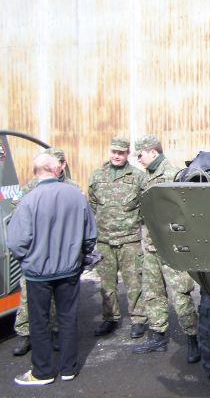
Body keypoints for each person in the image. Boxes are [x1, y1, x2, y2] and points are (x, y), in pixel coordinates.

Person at [8, 153, 96, 385]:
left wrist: (27, 260)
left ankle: (43, 372)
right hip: (69, 270)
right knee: (67, 318)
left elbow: (16, 242)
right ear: (54, 170)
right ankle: (69, 368)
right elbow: (90, 235)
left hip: (38, 274)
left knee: (39, 322)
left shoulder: (28, 200)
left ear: (37, 171)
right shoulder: (76, 195)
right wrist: (79, 255)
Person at [132, 134, 200, 364]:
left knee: (180, 294)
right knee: (152, 292)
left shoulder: (173, 175)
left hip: (171, 247)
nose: (138, 159)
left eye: (140, 154)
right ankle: (157, 336)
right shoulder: (145, 177)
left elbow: (186, 211)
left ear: (153, 152)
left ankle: (193, 338)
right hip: (151, 245)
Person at [11, 147, 77, 357]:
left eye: (56, 162)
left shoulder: (72, 188)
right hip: (37, 255)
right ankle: (25, 333)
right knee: (27, 297)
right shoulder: (32, 187)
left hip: (62, 254)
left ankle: (57, 332)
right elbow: (18, 216)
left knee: (59, 301)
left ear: (62, 164)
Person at [88, 137, 147, 339]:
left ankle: (138, 319)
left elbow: (145, 206)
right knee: (106, 284)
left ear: (127, 154)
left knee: (134, 282)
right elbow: (93, 203)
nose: (116, 156)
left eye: (121, 153)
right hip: (104, 240)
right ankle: (110, 318)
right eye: (114, 152)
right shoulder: (97, 176)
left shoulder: (138, 177)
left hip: (129, 240)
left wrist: (131, 223)